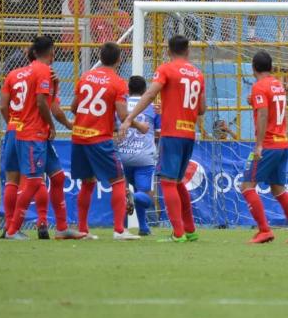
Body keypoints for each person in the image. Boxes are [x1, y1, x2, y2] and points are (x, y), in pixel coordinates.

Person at [119, 34, 205, 243]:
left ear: (168, 50)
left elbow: (149, 95)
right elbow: (202, 109)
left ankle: (178, 233)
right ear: (188, 51)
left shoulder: (166, 69)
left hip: (172, 133)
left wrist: (129, 117)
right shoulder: (198, 74)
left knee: (167, 182)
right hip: (188, 134)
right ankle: (190, 230)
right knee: (177, 183)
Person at [0, 47, 83, 240]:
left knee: (20, 179)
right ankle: (27, 226)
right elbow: (47, 104)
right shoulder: (43, 72)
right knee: (35, 180)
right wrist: (65, 124)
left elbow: (3, 105)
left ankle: (57, 228)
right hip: (33, 132)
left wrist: (13, 123)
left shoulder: (14, 74)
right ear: (51, 53)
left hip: (14, 127)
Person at [71, 43, 146, 241]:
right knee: (118, 181)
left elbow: (74, 107)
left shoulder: (85, 76)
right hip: (99, 138)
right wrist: (139, 126)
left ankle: (83, 229)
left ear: (100, 56)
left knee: (87, 182)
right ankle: (119, 230)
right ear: (119, 59)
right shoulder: (118, 82)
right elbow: (123, 115)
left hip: (79, 136)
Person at [239, 50, 288, 244]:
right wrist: (254, 101)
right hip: (282, 143)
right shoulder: (278, 85)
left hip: (268, 145)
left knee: (247, 186)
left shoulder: (259, 87)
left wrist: (259, 145)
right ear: (271, 67)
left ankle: (264, 230)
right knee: (278, 190)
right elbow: (271, 107)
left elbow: (262, 115)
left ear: (253, 69)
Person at [117, 75, 160, 236]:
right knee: (146, 197)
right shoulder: (151, 106)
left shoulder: (121, 104)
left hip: (123, 155)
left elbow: (116, 126)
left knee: (130, 192)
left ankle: (142, 227)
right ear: (144, 90)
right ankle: (132, 197)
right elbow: (158, 133)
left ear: (128, 89)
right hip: (144, 157)